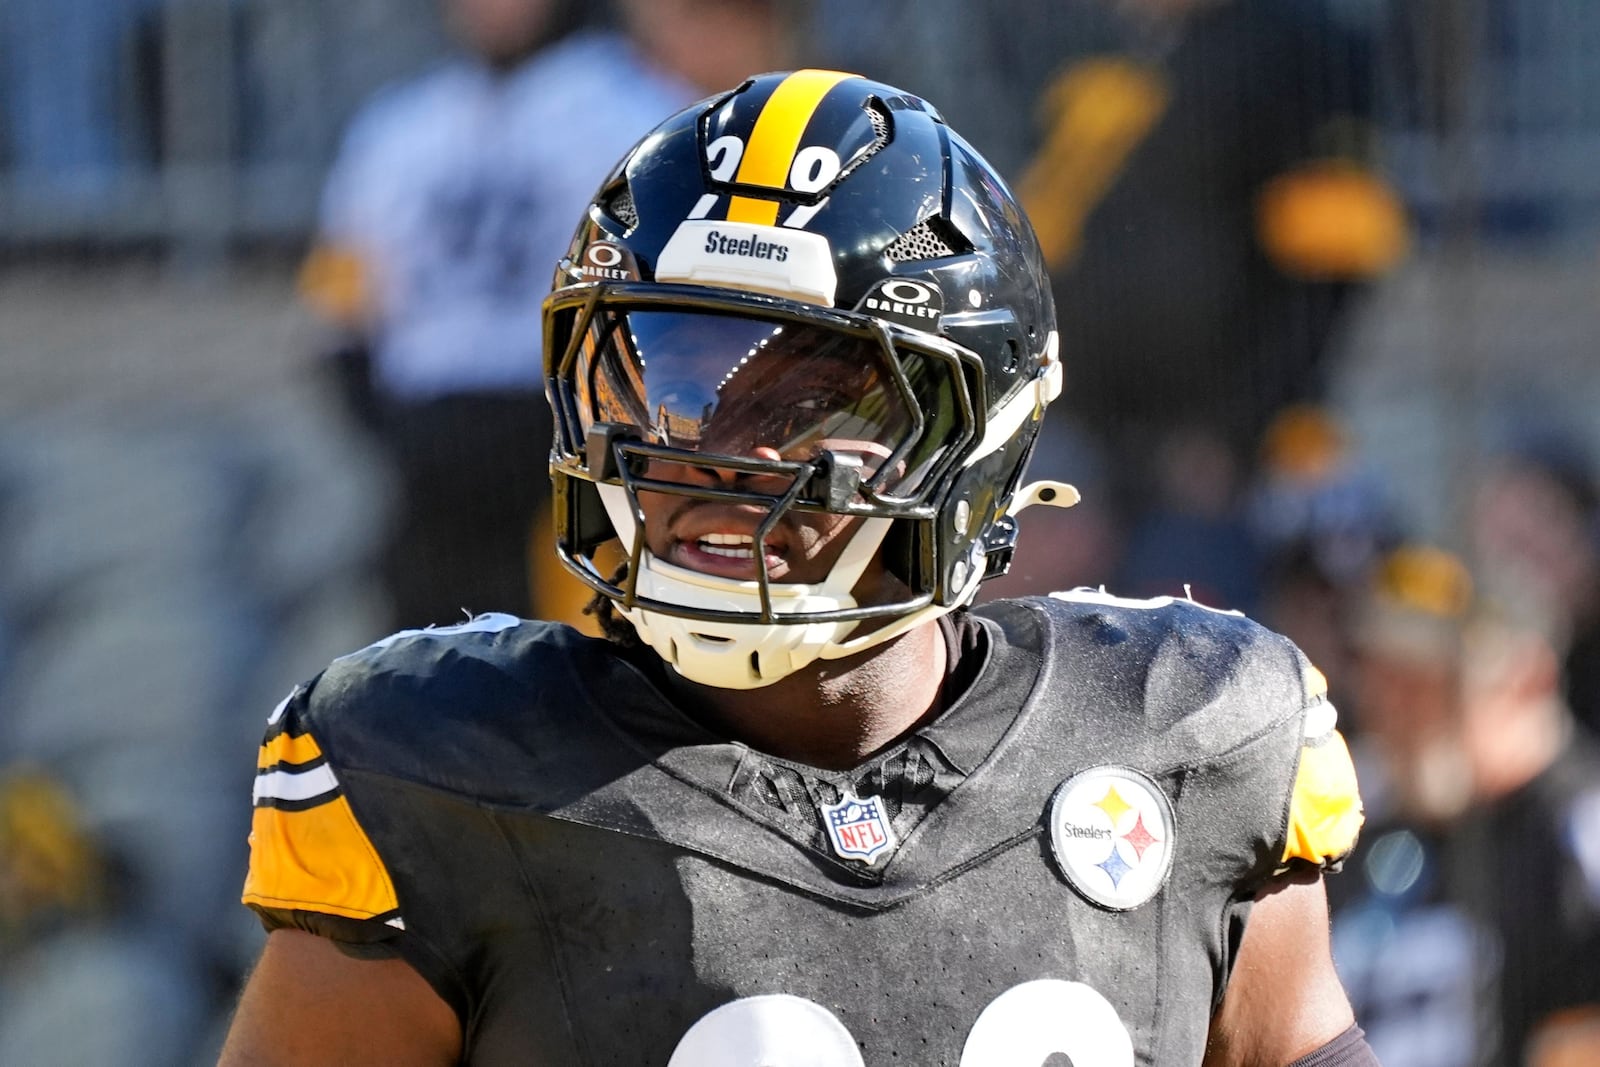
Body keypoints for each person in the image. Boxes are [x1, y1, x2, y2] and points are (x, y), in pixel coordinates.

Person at [220, 71, 1375, 1065]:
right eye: (662, 381)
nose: (711, 460)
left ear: (978, 430)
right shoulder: (440, 772)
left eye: (812, 405)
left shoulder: (1191, 733)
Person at [298, 0, 790, 633]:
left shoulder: (639, 109)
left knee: (575, 664)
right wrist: (393, 437)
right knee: (425, 679)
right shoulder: (399, 125)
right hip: (428, 445)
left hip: (566, 427)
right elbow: (340, 318)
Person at [1329, 544, 1600, 1066]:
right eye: (1380, 674)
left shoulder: (1578, 834)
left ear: (1528, 678)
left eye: (1426, 681)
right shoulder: (1354, 818)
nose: (1391, 706)